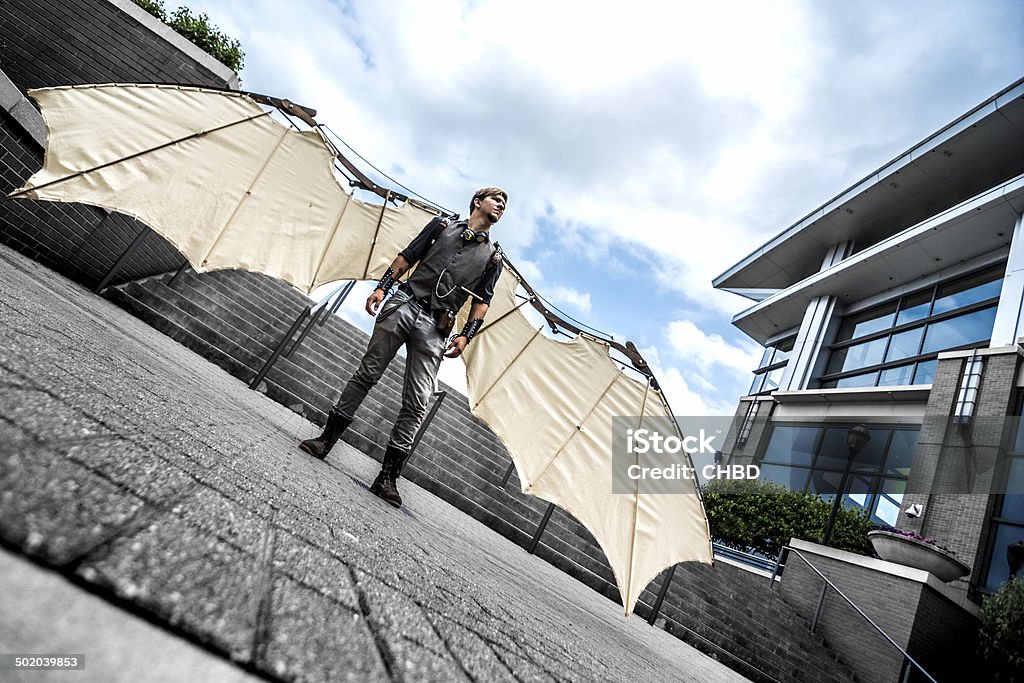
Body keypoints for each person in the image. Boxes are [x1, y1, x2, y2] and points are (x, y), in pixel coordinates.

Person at [299, 187, 507, 508]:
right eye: (497, 199)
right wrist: (382, 288)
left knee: (418, 401)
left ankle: (388, 477)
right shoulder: (442, 226)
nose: (501, 205)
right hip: (405, 303)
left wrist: (466, 335)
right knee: (367, 372)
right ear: (478, 202)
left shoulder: (493, 257)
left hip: (437, 326)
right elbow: (408, 255)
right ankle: (326, 439)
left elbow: (483, 302)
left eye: (505, 204)